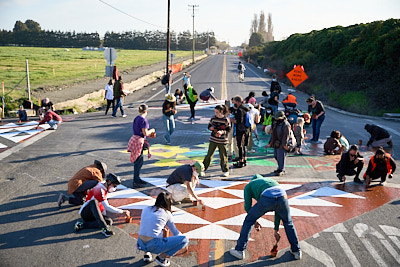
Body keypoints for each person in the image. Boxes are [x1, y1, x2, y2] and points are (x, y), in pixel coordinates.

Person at [229, 174, 302, 261]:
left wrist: (255, 221)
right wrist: (276, 230)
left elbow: (247, 207)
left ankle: (239, 250)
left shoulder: (249, 186)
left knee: (248, 221)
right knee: (288, 222)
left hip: (267, 198)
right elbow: (278, 210)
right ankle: (296, 251)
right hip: (282, 196)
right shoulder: (269, 181)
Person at [137, 192, 189, 266]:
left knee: (148, 230)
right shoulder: (167, 213)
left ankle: (146, 254)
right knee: (185, 240)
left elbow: (148, 225)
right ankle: (161, 258)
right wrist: (184, 242)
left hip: (140, 244)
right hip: (154, 245)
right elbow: (175, 232)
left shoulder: (146, 209)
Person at [74, 173, 130, 237]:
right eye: (114, 185)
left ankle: (83, 224)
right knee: (94, 202)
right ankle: (104, 228)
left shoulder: (104, 187)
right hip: (86, 213)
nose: (114, 188)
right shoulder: (99, 189)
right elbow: (107, 206)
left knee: (109, 221)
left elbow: (103, 205)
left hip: (94, 213)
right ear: (109, 182)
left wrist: (103, 215)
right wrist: (122, 211)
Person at [128, 104, 156, 188]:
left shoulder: (137, 118)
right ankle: (136, 180)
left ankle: (137, 178)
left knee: (138, 160)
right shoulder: (143, 120)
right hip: (139, 141)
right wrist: (152, 130)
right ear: (146, 111)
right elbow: (145, 133)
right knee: (138, 161)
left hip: (135, 139)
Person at [203, 105, 231, 177]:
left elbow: (228, 130)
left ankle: (225, 170)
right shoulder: (213, 118)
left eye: (217, 112)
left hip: (222, 140)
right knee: (209, 154)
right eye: (215, 112)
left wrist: (222, 132)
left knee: (223, 155)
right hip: (213, 139)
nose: (215, 113)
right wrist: (210, 128)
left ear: (221, 112)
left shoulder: (226, 120)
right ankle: (203, 168)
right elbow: (209, 126)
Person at [268, 111, 291, 176]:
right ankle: (279, 168)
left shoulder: (286, 125)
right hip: (276, 142)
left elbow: (286, 136)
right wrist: (270, 142)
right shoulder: (276, 123)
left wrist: (284, 145)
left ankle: (281, 169)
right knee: (276, 156)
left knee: (281, 157)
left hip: (282, 144)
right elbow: (273, 133)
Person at [230, 96, 250, 168]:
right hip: (246, 129)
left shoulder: (240, 110)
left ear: (238, 102)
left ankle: (241, 161)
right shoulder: (245, 108)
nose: (233, 103)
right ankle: (244, 160)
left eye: (234, 102)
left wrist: (233, 120)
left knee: (240, 146)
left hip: (240, 130)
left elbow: (239, 121)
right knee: (244, 146)